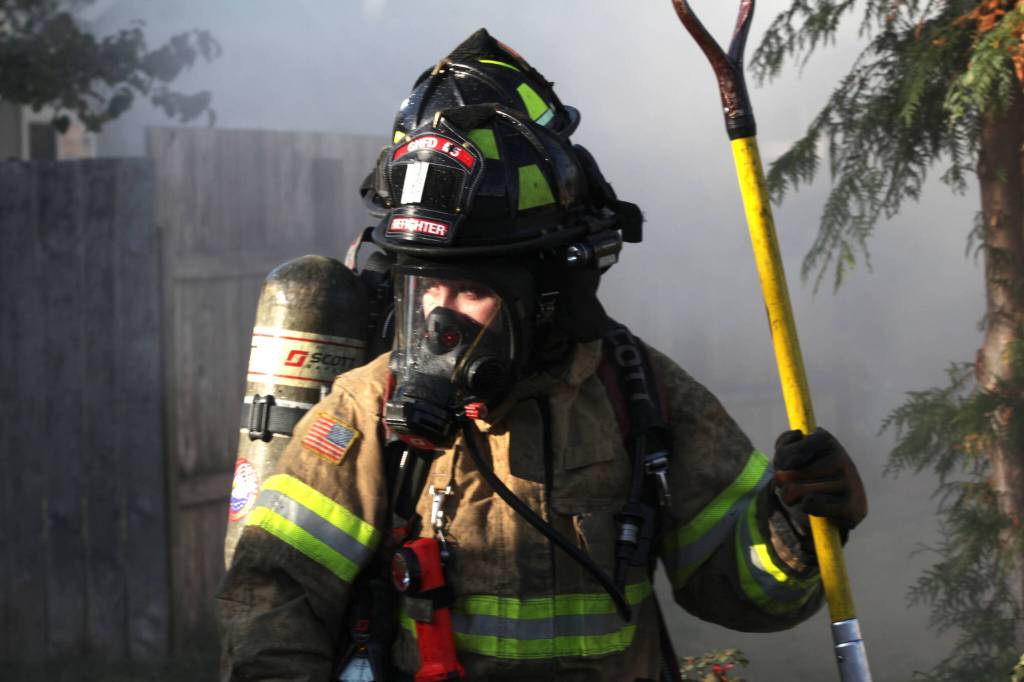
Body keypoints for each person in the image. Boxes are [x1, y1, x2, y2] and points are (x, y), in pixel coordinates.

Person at [217, 31, 867, 682]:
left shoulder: (639, 394)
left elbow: (741, 589)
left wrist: (791, 528)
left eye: (470, 289)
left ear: (545, 294)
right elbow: (275, 604)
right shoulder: (366, 410)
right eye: (425, 287)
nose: (439, 317)